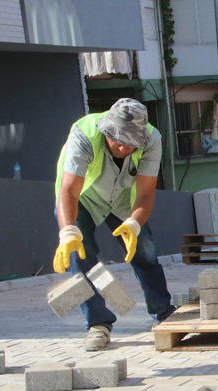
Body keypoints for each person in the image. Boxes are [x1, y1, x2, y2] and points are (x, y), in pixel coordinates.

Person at [53, 98, 175, 351]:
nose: (122, 147)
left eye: (130, 142)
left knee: (145, 251)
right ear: (107, 130)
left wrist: (133, 224)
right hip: (83, 198)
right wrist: (68, 231)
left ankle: (163, 314)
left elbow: (145, 194)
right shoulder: (84, 133)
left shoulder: (152, 139)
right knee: (80, 255)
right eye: (117, 139)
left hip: (123, 199)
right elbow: (69, 191)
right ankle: (98, 324)